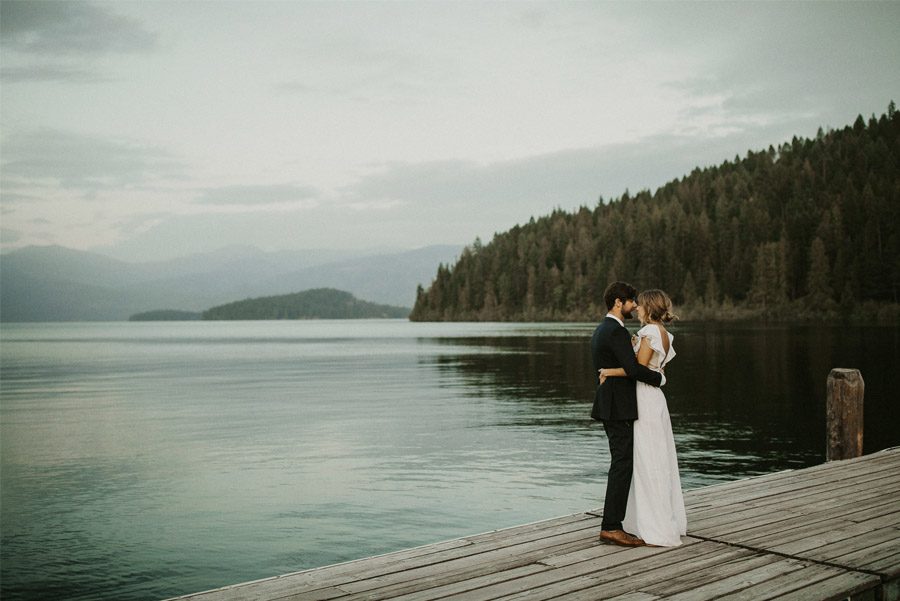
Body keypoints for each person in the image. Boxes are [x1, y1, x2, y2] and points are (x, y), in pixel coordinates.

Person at [599, 288, 687, 547]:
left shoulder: (649, 333)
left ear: (648, 307)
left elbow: (636, 369)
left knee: (648, 458)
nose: (636, 308)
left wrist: (609, 372)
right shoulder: (665, 334)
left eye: (640, 305)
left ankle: (653, 523)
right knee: (658, 455)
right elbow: (654, 369)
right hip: (655, 398)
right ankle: (656, 517)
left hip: (645, 398)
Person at [590, 282, 665, 547]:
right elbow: (633, 369)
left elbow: (612, 367)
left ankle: (614, 523)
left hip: (612, 404)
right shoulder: (614, 331)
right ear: (618, 303)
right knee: (622, 464)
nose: (634, 305)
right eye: (631, 301)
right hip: (617, 407)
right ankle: (611, 526)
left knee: (621, 463)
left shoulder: (603, 329)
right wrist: (658, 378)